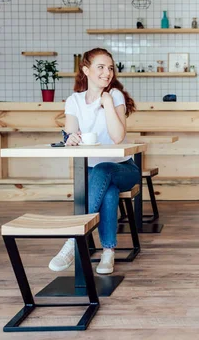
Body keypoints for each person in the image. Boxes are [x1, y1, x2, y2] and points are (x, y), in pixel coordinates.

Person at [48, 47, 140, 275]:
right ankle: (108, 253)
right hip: (92, 172)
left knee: (104, 171)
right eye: (100, 67)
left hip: (124, 169)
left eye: (110, 68)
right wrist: (71, 138)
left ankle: (72, 239)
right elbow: (70, 134)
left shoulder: (115, 95)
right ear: (86, 70)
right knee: (107, 190)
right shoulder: (74, 101)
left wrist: (107, 102)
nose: (107, 73)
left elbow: (118, 137)